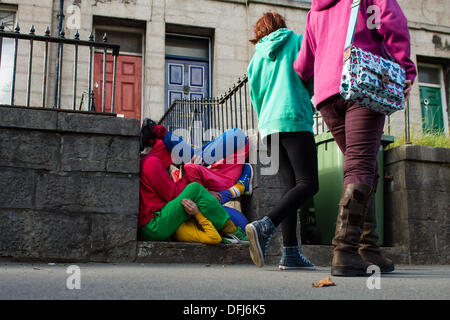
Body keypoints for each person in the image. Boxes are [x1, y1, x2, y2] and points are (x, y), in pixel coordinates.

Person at [294, 0, 416, 276]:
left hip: (327, 95)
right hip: (363, 80)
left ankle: (368, 247)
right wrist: (405, 68)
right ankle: (345, 250)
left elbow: (302, 65)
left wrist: (323, 73)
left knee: (364, 167)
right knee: (360, 166)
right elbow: (391, 21)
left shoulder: (315, 9)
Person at [245, 12, 318, 270]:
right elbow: (309, 74)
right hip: (294, 118)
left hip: (269, 127)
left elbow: (256, 99)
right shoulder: (297, 41)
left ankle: (290, 253)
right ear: (281, 25)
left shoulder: (254, 61)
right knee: (309, 184)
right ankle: (266, 224)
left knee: (291, 189)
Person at [139, 122, 251, 244]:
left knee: (242, 222)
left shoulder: (153, 163)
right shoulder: (152, 163)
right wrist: (189, 176)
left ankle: (234, 194)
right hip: (155, 225)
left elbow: (174, 195)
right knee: (196, 187)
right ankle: (233, 227)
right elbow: (173, 194)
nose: (176, 159)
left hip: (160, 221)